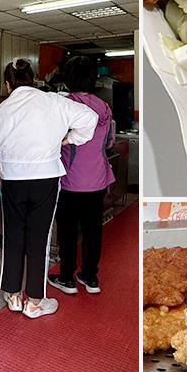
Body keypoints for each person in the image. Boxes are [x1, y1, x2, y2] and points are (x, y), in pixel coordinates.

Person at [0, 59, 98, 318]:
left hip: (13, 178)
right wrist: (69, 138)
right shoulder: (54, 101)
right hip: (46, 178)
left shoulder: (2, 110)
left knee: (13, 234)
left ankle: (14, 295)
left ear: (8, 84)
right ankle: (35, 301)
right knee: (39, 238)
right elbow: (90, 118)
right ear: (34, 78)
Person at [47, 56, 115, 295]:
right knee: (92, 229)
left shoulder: (64, 104)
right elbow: (109, 143)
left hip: (70, 180)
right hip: (97, 179)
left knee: (67, 230)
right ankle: (90, 277)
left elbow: (52, 139)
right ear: (93, 80)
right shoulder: (104, 107)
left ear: (67, 78)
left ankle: (66, 278)